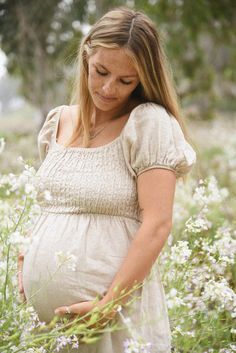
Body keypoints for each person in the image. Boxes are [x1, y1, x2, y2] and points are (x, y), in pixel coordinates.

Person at [18, 6, 197, 353]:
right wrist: (28, 256)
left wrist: (108, 305)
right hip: (45, 328)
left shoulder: (148, 123)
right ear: (86, 57)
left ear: (143, 80)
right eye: (100, 72)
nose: (109, 88)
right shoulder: (59, 122)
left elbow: (158, 223)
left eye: (126, 80)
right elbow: (53, 207)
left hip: (115, 322)